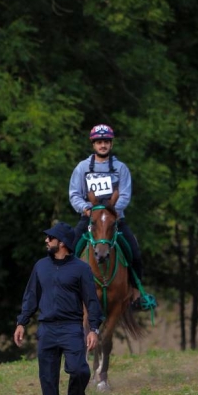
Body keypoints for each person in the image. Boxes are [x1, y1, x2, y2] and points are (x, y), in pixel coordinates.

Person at [14, 222, 102, 395]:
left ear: (61, 242)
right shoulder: (40, 266)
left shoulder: (81, 269)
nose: (46, 240)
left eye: (50, 238)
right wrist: (22, 322)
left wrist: (93, 329)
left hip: (72, 328)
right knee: (48, 378)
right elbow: (31, 296)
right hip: (46, 329)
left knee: (80, 371)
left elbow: (91, 300)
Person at [68, 123, 150, 308]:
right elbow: (74, 194)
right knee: (69, 249)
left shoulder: (121, 168)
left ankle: (137, 294)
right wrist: (86, 209)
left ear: (111, 144)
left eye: (106, 142)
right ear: (93, 145)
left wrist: (112, 211)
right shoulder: (82, 168)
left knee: (134, 252)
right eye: (99, 142)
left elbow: (125, 194)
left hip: (115, 219)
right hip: (90, 219)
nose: (102, 145)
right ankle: (64, 292)